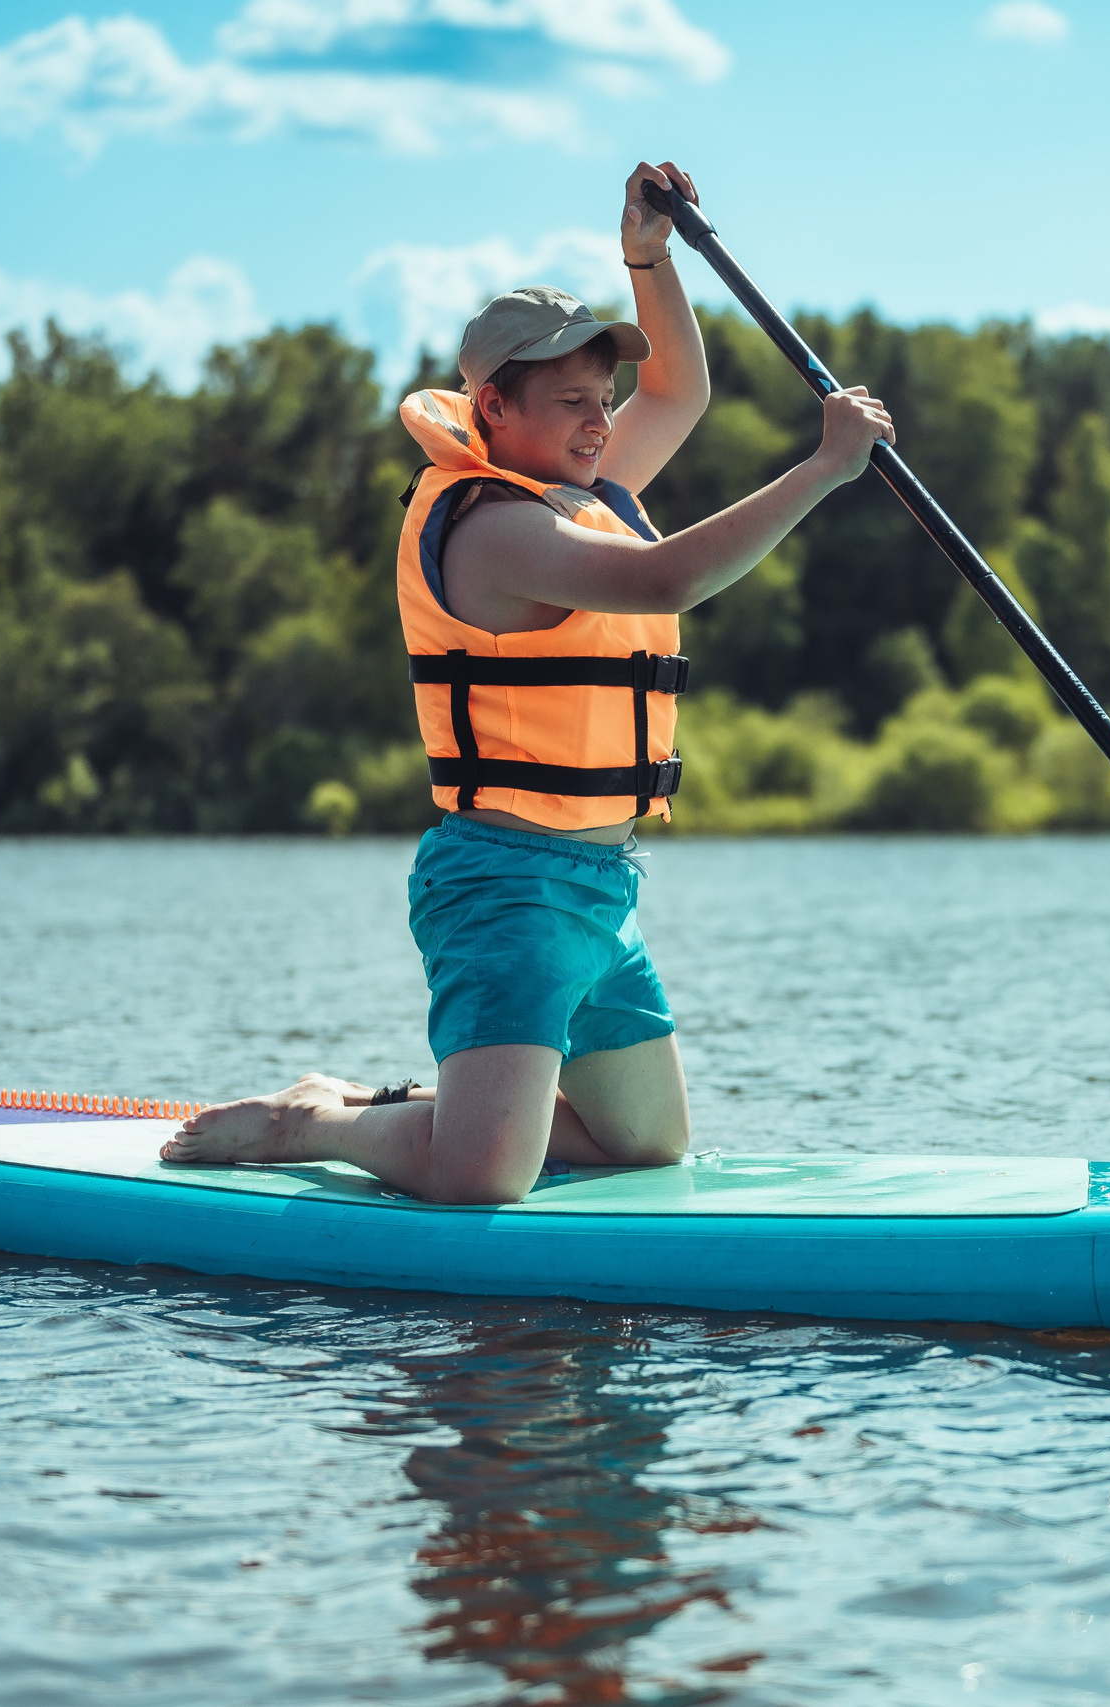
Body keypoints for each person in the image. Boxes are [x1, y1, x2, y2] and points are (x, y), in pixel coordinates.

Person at [159, 161, 894, 1203]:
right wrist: (821, 469)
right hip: (503, 881)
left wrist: (645, 255)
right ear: (493, 407)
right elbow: (667, 577)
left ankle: (405, 1105)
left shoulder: (582, 492)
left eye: (603, 401)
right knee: (482, 1182)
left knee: (645, 1147)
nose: (600, 423)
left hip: (602, 885)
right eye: (571, 403)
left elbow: (681, 390)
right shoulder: (495, 528)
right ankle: (305, 1122)